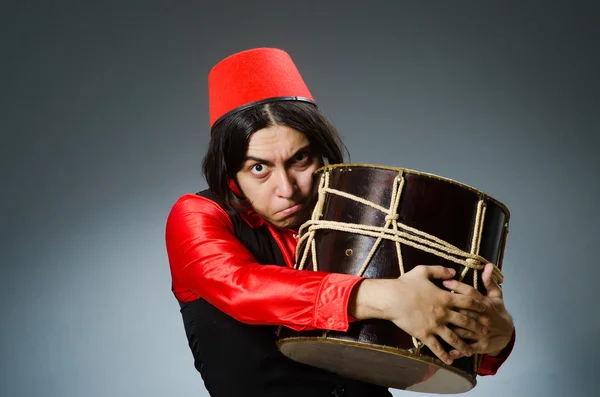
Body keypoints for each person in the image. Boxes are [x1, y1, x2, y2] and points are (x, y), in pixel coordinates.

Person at [165, 47, 515, 397]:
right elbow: (242, 286)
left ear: (322, 154)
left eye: (300, 159)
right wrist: (386, 296)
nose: (287, 189)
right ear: (230, 174)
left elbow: (418, 342)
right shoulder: (197, 214)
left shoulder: (361, 219)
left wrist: (493, 340)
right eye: (259, 168)